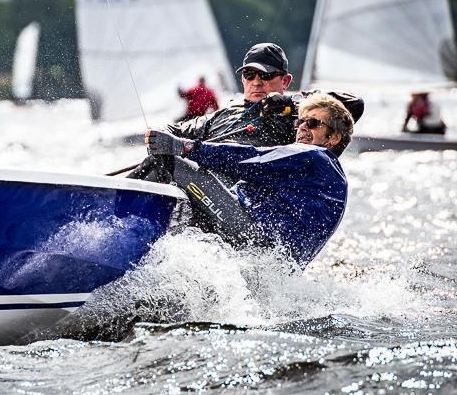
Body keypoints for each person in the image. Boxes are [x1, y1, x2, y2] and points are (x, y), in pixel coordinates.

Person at [145, 93, 354, 268]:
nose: (302, 127)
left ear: (333, 138)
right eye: (300, 122)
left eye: (313, 123)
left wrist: (185, 147)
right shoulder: (331, 175)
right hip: (273, 262)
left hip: (255, 237)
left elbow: (252, 159)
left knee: (169, 162)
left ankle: (117, 215)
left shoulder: (314, 156)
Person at [128, 42, 363, 182]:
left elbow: (354, 104)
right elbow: (175, 130)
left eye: (267, 75)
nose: (257, 82)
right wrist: (159, 133)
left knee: (168, 162)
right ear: (242, 78)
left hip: (247, 199)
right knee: (163, 156)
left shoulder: (299, 118)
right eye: (250, 75)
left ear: (285, 80)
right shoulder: (223, 114)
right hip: (202, 189)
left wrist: (291, 102)